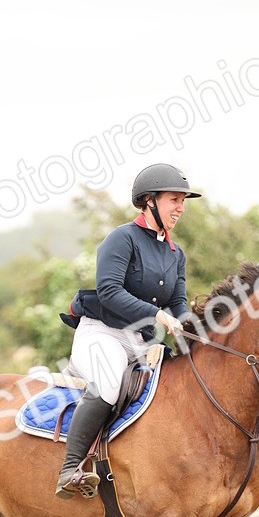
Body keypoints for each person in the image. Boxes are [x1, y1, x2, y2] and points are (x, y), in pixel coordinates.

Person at [55, 162, 201, 499]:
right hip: (102, 333)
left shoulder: (175, 253)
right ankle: (70, 469)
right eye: (174, 200)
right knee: (108, 385)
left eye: (183, 201)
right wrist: (158, 315)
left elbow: (178, 301)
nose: (180, 208)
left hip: (140, 341)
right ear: (149, 200)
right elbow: (109, 291)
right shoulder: (121, 239)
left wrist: (194, 329)